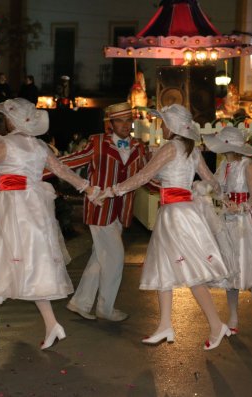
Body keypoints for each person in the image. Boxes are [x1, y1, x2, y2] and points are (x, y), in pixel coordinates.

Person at [0, 98, 100, 350]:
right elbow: (62, 171)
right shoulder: (40, 146)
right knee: (29, 264)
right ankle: (41, 325)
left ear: (11, 120)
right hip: (34, 209)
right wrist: (88, 188)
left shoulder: (4, 143)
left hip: (12, 207)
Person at [100, 104, 235, 350]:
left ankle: (215, 324)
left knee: (190, 272)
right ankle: (165, 325)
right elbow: (211, 180)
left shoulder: (171, 147)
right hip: (183, 213)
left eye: (162, 122)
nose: (160, 125)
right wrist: (223, 197)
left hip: (175, 215)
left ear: (171, 126)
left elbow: (142, 176)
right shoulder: (191, 150)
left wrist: (112, 191)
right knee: (166, 267)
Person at [59, 102, 147, 322]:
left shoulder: (139, 147)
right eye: (120, 121)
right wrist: (41, 165)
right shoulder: (97, 142)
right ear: (111, 123)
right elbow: (71, 161)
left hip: (121, 211)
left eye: (128, 120)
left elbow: (146, 176)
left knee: (100, 257)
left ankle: (80, 303)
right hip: (100, 208)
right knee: (115, 257)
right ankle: (105, 308)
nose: (125, 125)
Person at [203, 126, 252, 339]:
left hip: (247, 221)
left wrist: (241, 207)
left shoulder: (247, 164)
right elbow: (217, 189)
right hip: (228, 220)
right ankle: (233, 317)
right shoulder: (224, 165)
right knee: (232, 272)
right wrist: (223, 200)